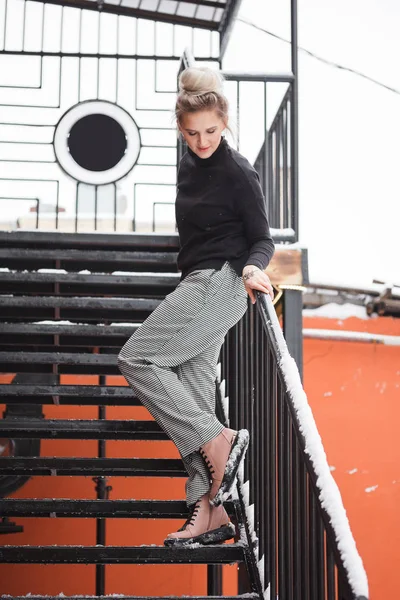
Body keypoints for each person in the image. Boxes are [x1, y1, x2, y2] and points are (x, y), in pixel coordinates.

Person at [118, 66, 275, 547]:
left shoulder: (237, 170)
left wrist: (254, 269)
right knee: (191, 393)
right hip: (198, 282)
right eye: (192, 133)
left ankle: (220, 442)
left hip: (222, 282)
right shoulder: (188, 162)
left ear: (224, 122)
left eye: (211, 130)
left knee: (138, 358)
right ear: (180, 128)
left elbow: (262, 238)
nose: (202, 141)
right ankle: (209, 510)